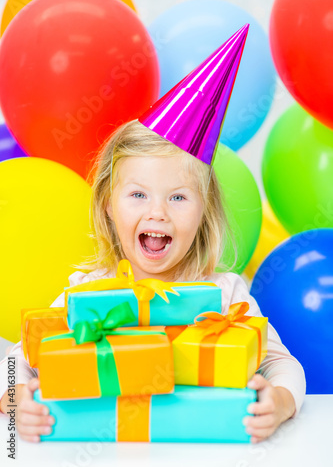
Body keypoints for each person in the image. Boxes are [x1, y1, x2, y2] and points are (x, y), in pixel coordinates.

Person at [0, 26, 306, 444]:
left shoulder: (224, 295)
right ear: (108, 203)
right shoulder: (88, 292)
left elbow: (281, 363)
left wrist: (281, 401)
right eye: (138, 194)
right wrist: (17, 399)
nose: (157, 212)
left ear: (204, 213)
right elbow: (18, 360)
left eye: (178, 197)